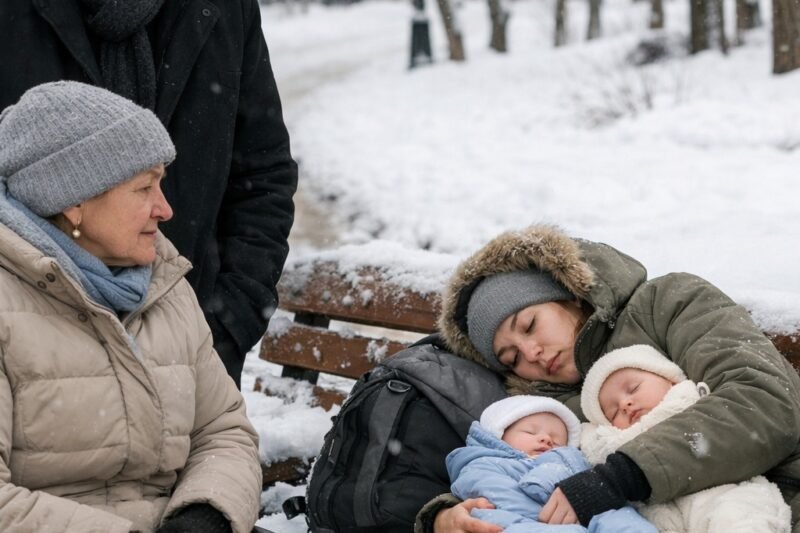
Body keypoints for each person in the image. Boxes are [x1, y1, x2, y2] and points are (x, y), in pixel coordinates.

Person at [414, 224, 800, 533]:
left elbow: (765, 401)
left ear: (569, 295)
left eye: (530, 325)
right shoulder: (544, 408)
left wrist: (623, 475)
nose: (531, 354)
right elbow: (504, 468)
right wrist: (444, 517)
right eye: (511, 357)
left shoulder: (668, 304)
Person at [0, 81, 263, 532]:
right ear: (74, 202)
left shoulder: (164, 283)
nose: (165, 210)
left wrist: (206, 513)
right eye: (144, 188)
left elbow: (223, 431)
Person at [0, 0, 299, 387]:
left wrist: (228, 321)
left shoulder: (224, 8)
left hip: (193, 346)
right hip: (32, 356)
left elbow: (263, 171)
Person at [580, 344, 791, 533]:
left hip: (720, 492)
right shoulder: (613, 447)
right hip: (661, 513)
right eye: (613, 412)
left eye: (633, 388)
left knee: (738, 516)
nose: (625, 404)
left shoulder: (691, 404)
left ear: (669, 378)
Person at [447, 395, 657, 532]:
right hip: (516, 520)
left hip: (578, 512)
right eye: (531, 431)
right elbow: (490, 491)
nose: (546, 439)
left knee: (619, 517)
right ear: (497, 435)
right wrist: (546, 480)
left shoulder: (574, 463)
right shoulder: (482, 462)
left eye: (557, 439)